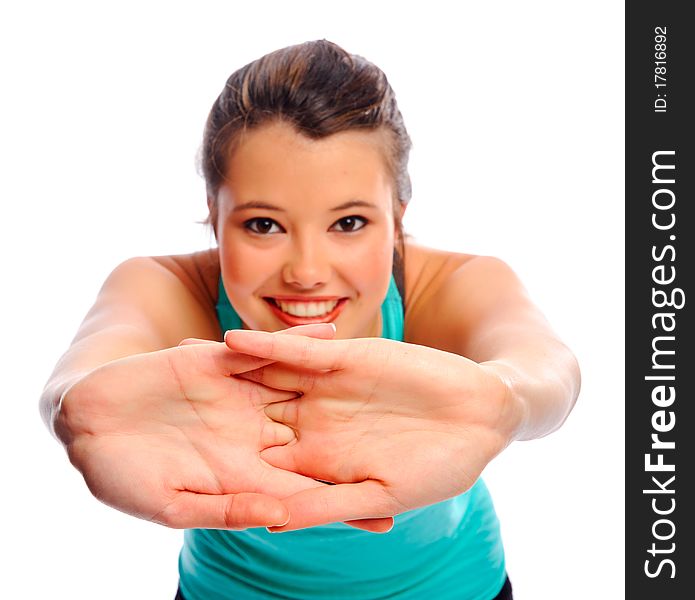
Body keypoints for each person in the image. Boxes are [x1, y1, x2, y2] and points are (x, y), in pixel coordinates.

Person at [40, 39, 580, 600]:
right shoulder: (168, 288)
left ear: (397, 217)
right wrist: (73, 412)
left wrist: (505, 402)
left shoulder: (448, 286)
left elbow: (546, 365)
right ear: (214, 212)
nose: (306, 272)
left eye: (348, 223)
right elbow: (84, 378)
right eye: (264, 225)